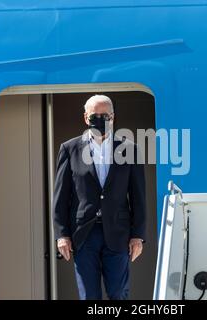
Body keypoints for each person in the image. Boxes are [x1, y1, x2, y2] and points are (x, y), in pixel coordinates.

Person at [52, 94, 147, 300]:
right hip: (84, 234)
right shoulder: (69, 149)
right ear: (86, 118)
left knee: (118, 292)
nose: (100, 120)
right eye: (95, 116)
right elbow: (61, 195)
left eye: (105, 116)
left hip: (118, 233)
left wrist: (137, 235)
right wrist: (61, 234)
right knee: (89, 296)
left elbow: (138, 196)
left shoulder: (129, 149)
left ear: (113, 117)